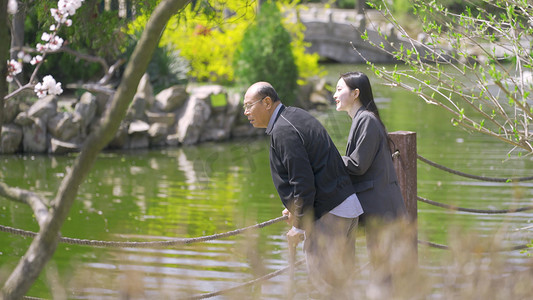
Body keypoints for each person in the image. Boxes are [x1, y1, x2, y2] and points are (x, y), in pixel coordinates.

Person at [243, 81, 363, 299]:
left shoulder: (283, 130)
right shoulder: (295, 115)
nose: (246, 112)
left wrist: (298, 225)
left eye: (249, 106)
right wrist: (295, 208)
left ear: (267, 102)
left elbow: (303, 182)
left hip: (329, 216)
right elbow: (314, 171)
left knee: (324, 290)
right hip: (346, 208)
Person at [333, 71, 409, 297]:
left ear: (356, 93)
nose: (334, 95)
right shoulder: (363, 118)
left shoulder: (365, 119)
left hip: (381, 210)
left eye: (339, 89)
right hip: (381, 208)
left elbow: (357, 165)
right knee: (383, 271)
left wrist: (327, 159)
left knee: (383, 273)